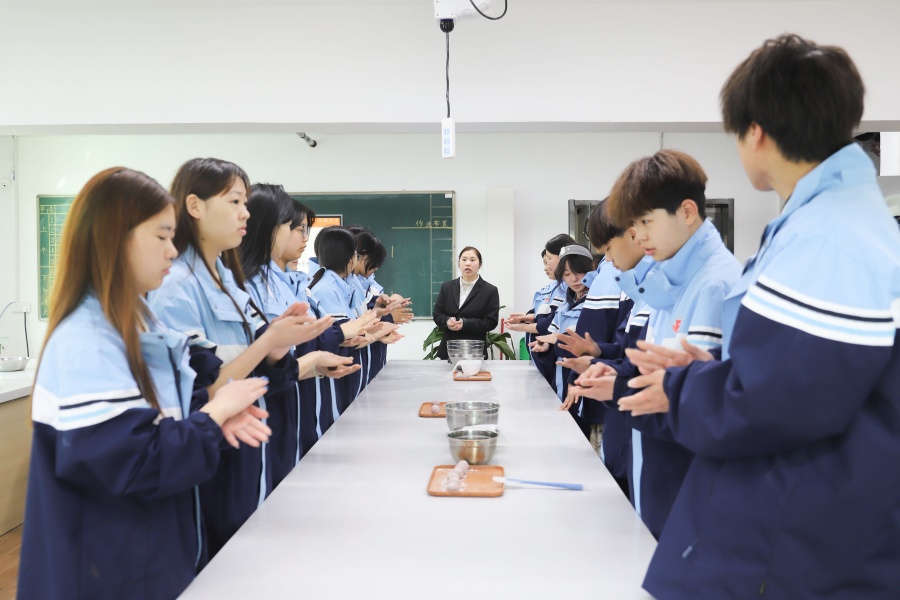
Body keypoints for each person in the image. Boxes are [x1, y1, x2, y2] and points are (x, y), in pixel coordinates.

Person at [621, 35, 900, 598]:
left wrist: (683, 388)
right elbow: (806, 376)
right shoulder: (830, 222)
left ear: (756, 133)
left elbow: (776, 403)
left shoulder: (828, 238)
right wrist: (713, 371)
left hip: (797, 550)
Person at [17, 167, 272, 599]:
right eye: (162, 236)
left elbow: (157, 425)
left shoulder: (135, 322)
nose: (172, 250)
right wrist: (211, 417)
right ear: (115, 238)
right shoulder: (87, 341)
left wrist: (203, 418)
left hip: (148, 555)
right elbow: (136, 461)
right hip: (108, 572)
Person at [148, 158, 332, 560]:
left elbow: (261, 364)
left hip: (247, 441)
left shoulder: (226, 279)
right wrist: (269, 343)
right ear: (194, 206)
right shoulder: (175, 286)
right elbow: (201, 389)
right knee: (219, 560)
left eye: (246, 203)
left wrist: (280, 342)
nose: (244, 213)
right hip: (213, 448)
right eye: (234, 202)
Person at [590, 149, 741, 539]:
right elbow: (655, 376)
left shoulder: (714, 284)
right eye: (634, 224)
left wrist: (619, 388)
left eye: (645, 221)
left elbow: (691, 403)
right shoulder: (668, 282)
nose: (638, 235)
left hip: (687, 487)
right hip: (656, 475)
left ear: (687, 212)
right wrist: (616, 377)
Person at [240, 183, 358, 485]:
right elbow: (262, 361)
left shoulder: (284, 282)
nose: (304, 237)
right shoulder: (247, 283)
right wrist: (334, 341)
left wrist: (319, 359)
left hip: (291, 401)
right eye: (296, 228)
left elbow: (290, 351)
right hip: (260, 416)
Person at [529, 244, 594, 434]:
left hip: (582, 380)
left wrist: (553, 340)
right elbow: (553, 335)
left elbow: (585, 345)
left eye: (579, 272)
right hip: (561, 379)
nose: (574, 279)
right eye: (567, 274)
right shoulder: (566, 305)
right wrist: (545, 344)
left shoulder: (595, 303)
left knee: (580, 433)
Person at [432, 246, 500, 361]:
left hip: (475, 352)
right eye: (464, 260)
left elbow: (491, 322)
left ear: (480, 264)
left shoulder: (490, 290)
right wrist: (447, 321)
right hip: (448, 351)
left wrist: (465, 323)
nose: (468, 263)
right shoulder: (447, 287)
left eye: (472, 260)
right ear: (459, 263)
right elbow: (437, 314)